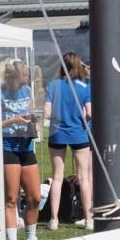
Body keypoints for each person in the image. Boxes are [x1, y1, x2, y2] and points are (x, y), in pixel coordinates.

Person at [0, 59, 40, 240]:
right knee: (11, 198)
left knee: (35, 197)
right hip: (7, 146)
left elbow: (30, 114)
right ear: (10, 78)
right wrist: (12, 120)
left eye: (26, 80)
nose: (23, 84)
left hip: (26, 145)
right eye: (20, 81)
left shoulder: (27, 91)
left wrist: (34, 123)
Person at [43, 52, 93, 230]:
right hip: (79, 134)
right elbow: (89, 113)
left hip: (57, 133)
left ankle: (54, 219)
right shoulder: (83, 86)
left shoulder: (53, 86)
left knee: (57, 177)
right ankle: (88, 219)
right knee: (84, 177)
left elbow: (47, 113)